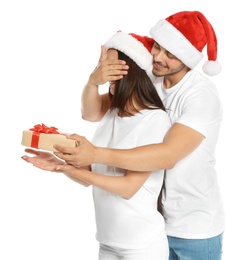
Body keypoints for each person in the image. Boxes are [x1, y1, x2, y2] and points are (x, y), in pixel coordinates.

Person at [47, 11, 225, 260]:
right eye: (158, 47)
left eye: (171, 55)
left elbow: (167, 155)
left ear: (187, 57)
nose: (159, 58)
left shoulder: (200, 94)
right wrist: (92, 82)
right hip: (152, 221)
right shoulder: (150, 79)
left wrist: (94, 155)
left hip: (193, 225)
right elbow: (93, 112)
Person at [22, 31, 171, 260]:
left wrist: (73, 168)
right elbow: (94, 171)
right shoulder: (112, 112)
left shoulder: (155, 120)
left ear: (130, 71)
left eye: (110, 65)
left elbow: (128, 187)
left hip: (142, 245)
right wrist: (61, 165)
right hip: (108, 241)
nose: (103, 69)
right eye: (102, 64)